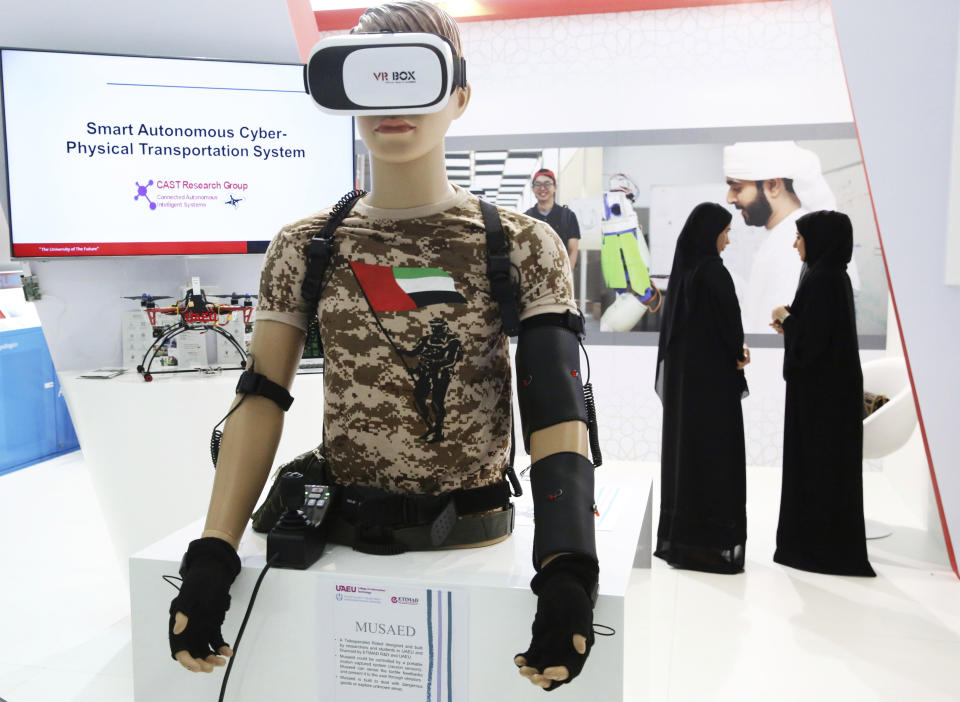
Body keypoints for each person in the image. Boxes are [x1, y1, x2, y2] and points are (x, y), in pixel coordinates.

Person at [166, 1, 599, 692]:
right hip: (345, 550)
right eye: (374, 78)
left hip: (475, 543)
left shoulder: (521, 243)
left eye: (415, 76)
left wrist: (568, 567)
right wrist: (213, 553)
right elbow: (262, 396)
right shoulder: (305, 247)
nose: (393, 102)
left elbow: (554, 403)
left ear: (459, 94)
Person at [770, 210, 875, 577]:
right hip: (829, 396)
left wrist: (785, 317)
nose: (795, 242)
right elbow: (820, 337)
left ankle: (817, 550)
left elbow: (811, 345)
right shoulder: (830, 275)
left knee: (818, 471)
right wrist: (792, 321)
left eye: (800, 236)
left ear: (819, 240)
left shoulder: (823, 279)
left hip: (822, 402)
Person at [654, 202, 750, 573]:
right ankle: (713, 544)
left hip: (688, 390)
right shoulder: (713, 273)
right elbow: (729, 329)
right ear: (710, 234)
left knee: (688, 459)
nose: (727, 239)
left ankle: (687, 540)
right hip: (713, 391)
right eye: (725, 232)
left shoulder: (687, 274)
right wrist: (738, 356)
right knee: (715, 461)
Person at [724, 140, 853, 334]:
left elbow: (776, 330)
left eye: (737, 188)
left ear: (773, 185)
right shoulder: (780, 233)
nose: (730, 199)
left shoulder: (793, 242)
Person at [525, 168, 580, 270]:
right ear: (533, 189)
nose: (542, 188)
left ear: (555, 187)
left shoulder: (568, 216)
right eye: (538, 184)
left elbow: (573, 250)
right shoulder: (526, 217)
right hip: (534, 275)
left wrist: (567, 276)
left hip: (560, 274)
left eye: (547, 184)